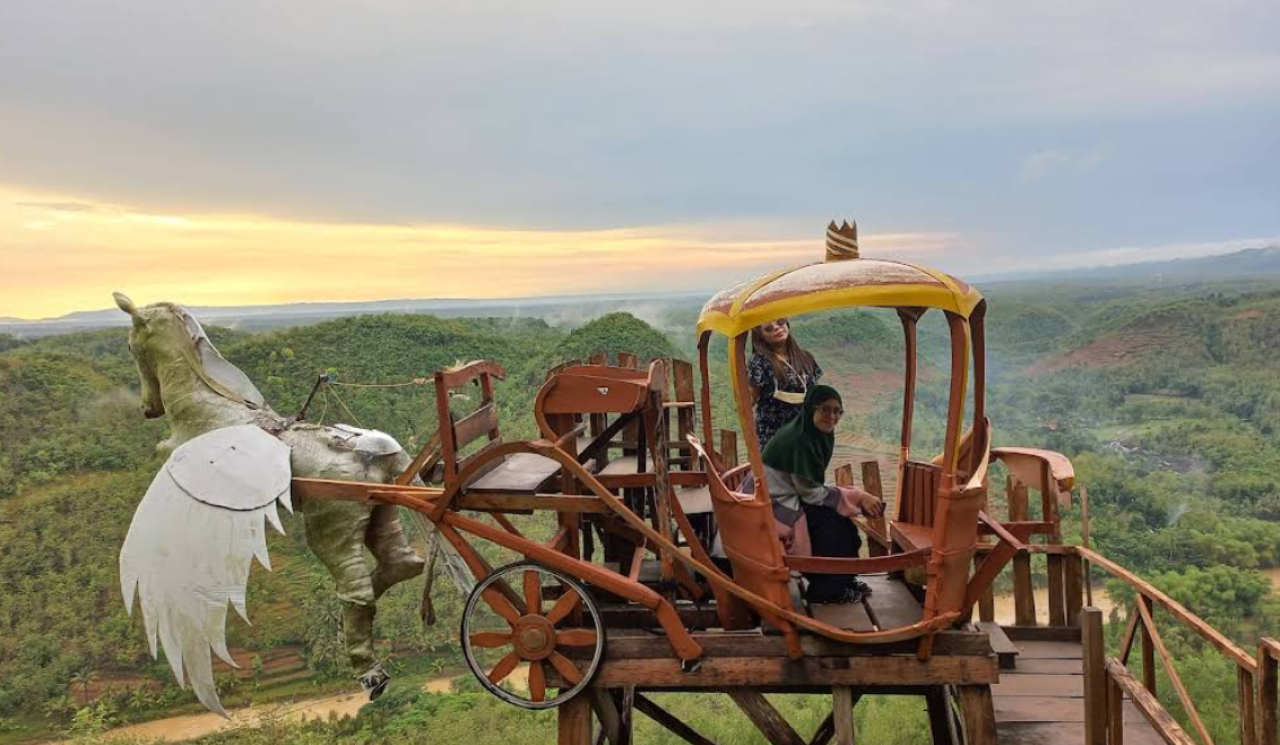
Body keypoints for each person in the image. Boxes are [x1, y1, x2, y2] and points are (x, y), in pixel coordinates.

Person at [760, 385, 884, 604]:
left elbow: (809, 486)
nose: (832, 416)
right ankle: (827, 591)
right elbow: (812, 495)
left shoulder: (810, 432)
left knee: (838, 523)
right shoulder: (799, 441)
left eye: (837, 411)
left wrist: (851, 497)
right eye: (825, 409)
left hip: (787, 496)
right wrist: (857, 497)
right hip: (775, 504)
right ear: (811, 409)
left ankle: (840, 581)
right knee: (836, 528)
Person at [748, 317, 822, 447]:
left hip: (804, 436)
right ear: (761, 336)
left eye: (780, 322)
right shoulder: (759, 362)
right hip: (773, 438)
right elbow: (750, 399)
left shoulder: (806, 357)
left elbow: (815, 395)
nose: (777, 328)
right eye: (768, 328)